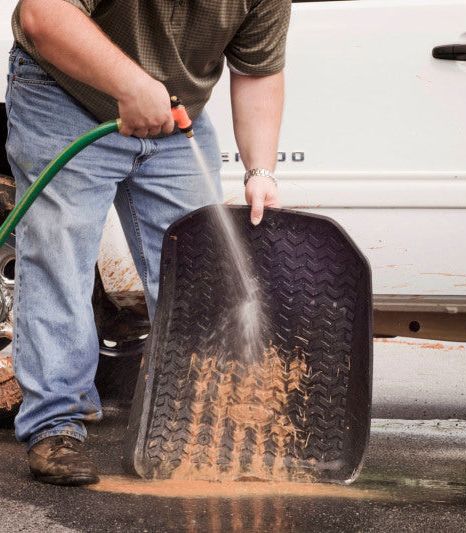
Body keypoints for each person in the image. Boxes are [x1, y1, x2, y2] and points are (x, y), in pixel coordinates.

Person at [6, 0, 290, 486]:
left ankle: (196, 421)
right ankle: (55, 426)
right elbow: (42, 13)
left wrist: (260, 171)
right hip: (64, 94)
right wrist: (130, 84)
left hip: (176, 116)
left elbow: (258, 70)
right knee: (59, 254)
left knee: (199, 268)